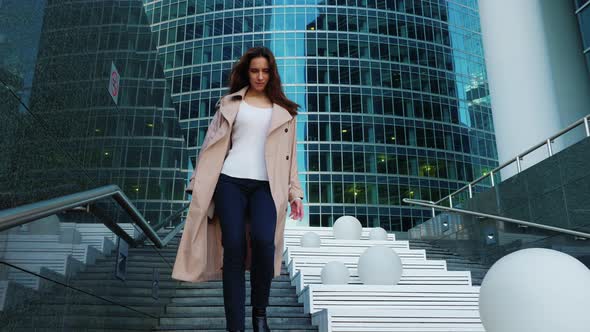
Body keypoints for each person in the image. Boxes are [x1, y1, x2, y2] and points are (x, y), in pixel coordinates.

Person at [171, 46, 304, 332]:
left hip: (267, 187)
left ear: (272, 74)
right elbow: (210, 145)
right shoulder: (230, 104)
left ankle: (259, 314)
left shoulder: (286, 113)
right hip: (229, 181)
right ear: (247, 72)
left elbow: (290, 159)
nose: (259, 76)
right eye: (254, 70)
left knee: (263, 242)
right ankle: (235, 326)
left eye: (265, 71)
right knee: (233, 246)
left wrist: (295, 194)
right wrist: (196, 184)